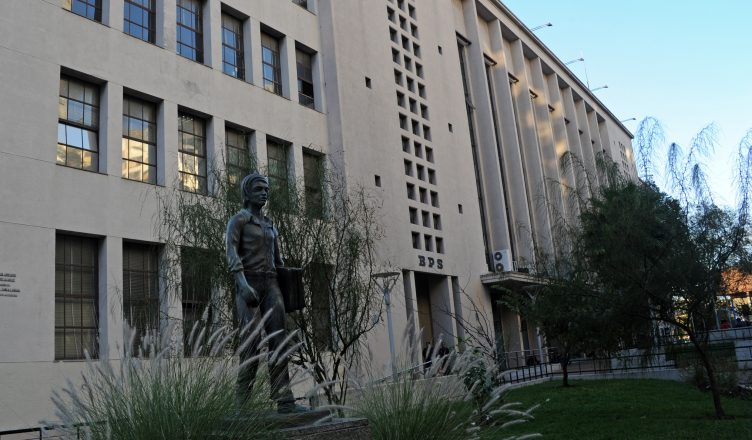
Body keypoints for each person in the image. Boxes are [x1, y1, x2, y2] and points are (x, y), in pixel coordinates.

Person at [226, 173, 300, 413]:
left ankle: (285, 400)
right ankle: (241, 404)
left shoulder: (270, 225)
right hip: (248, 283)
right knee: (251, 342)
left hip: (271, 284)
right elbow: (231, 253)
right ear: (247, 193)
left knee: (279, 340)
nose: (264, 193)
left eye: (266, 189)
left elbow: (278, 260)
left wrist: (290, 284)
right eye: (259, 189)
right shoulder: (238, 220)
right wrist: (242, 284)